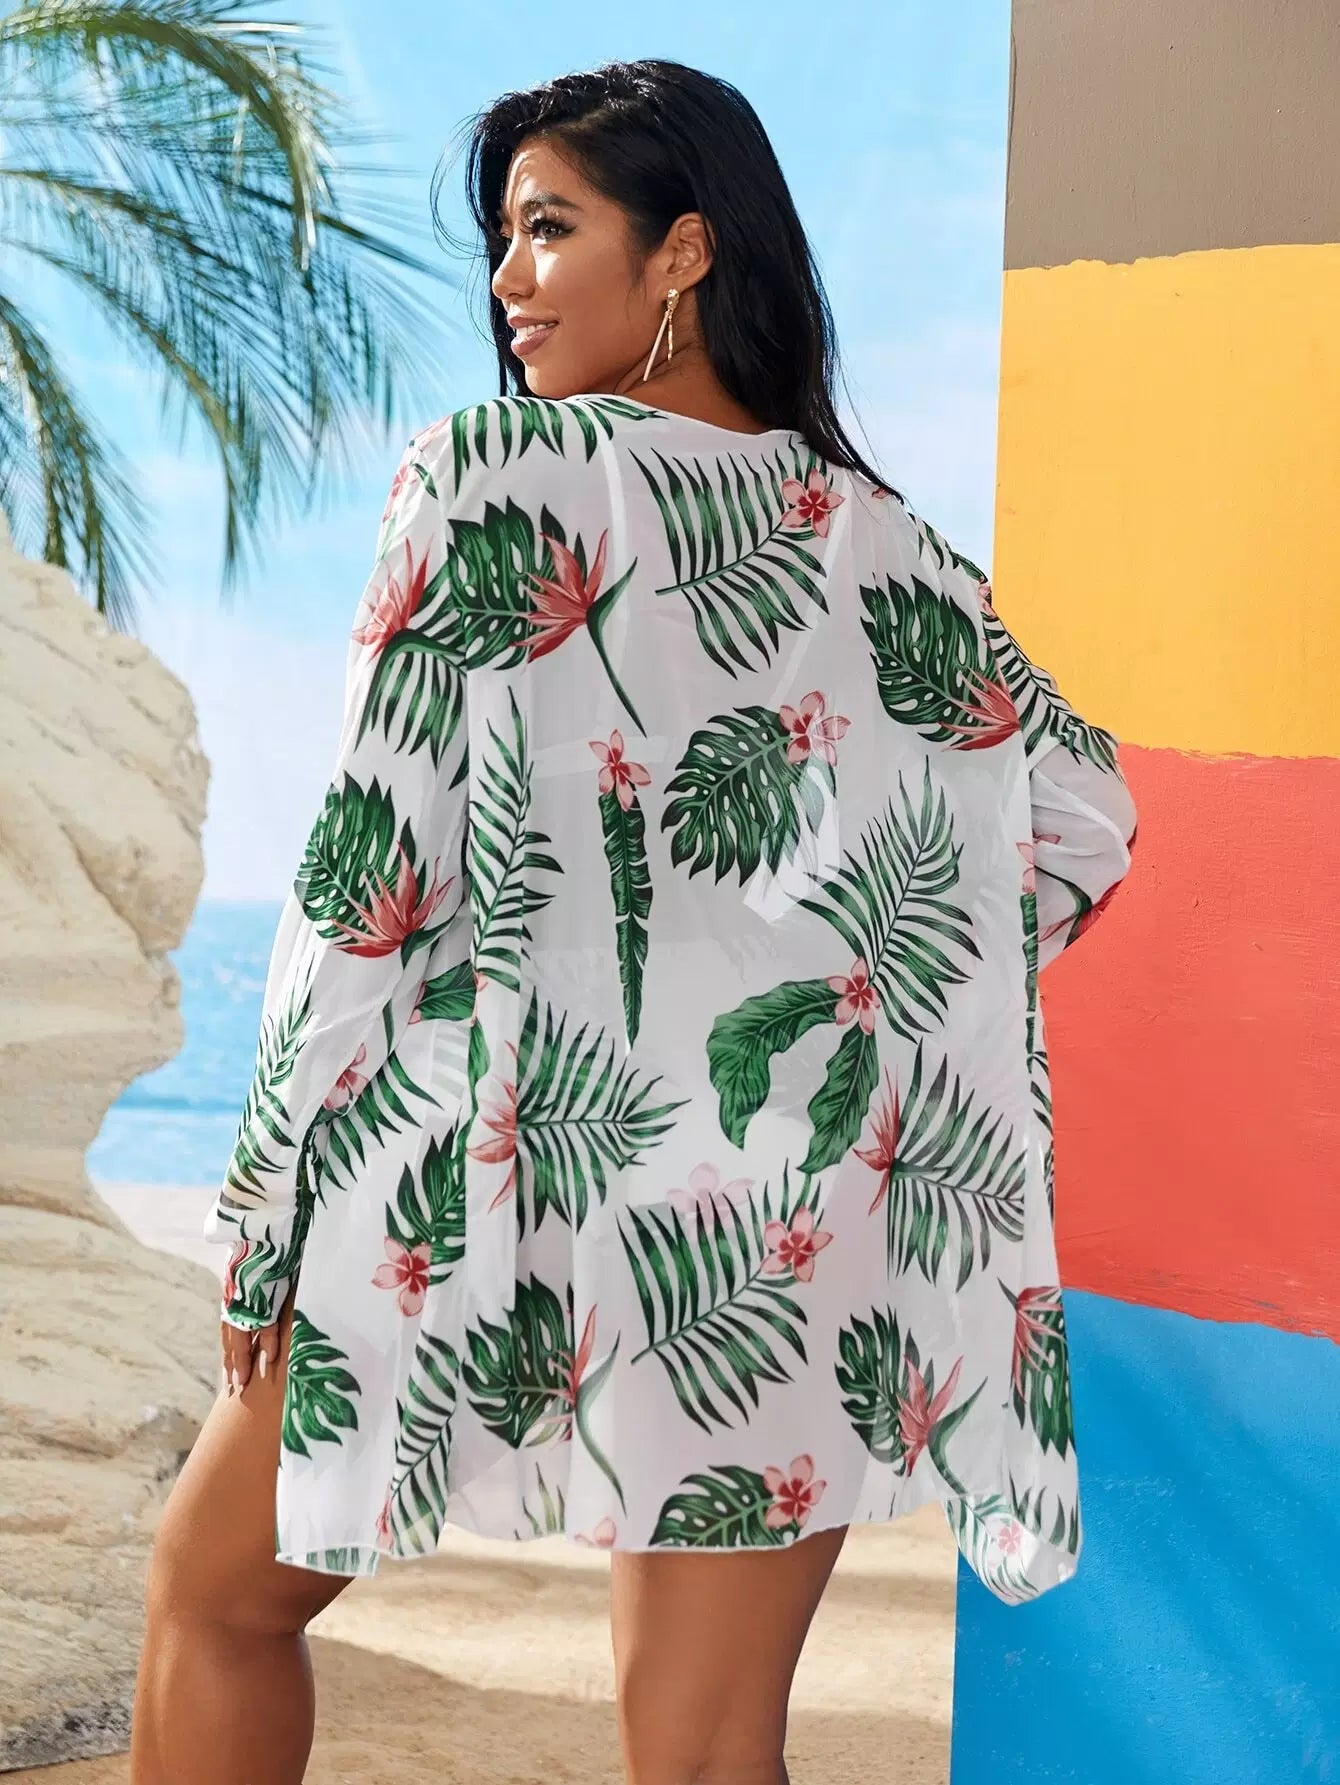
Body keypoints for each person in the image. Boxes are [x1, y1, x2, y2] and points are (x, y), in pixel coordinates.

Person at [130, 57, 1137, 1785]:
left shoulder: (486, 476)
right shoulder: (893, 549)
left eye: (548, 228)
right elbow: (1085, 818)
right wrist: (829, 983)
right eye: (501, 239)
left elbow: (368, 870)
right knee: (711, 1747)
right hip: (781, 1204)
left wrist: (267, 1189)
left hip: (483, 1159)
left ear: (684, 249)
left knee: (212, 1598)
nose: (507, 279)